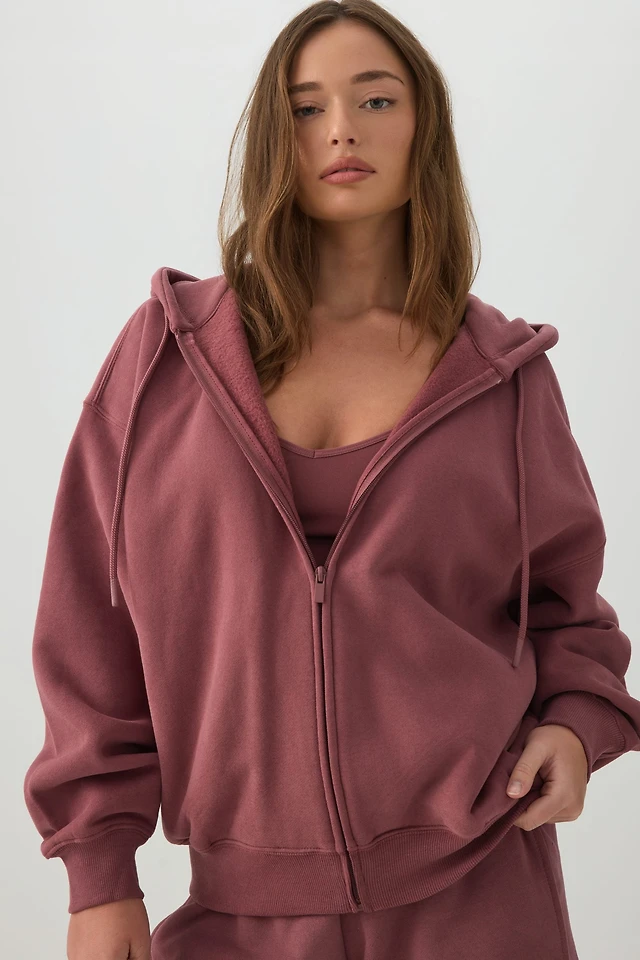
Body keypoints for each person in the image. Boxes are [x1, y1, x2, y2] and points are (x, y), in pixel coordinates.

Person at [23, 1, 640, 958]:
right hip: (241, 912)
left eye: (375, 99)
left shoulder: (502, 377)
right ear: (275, 140)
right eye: (306, 108)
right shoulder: (166, 363)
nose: (341, 129)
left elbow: (566, 611)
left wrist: (574, 724)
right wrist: (98, 876)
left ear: (422, 125)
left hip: (482, 892)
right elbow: (89, 627)